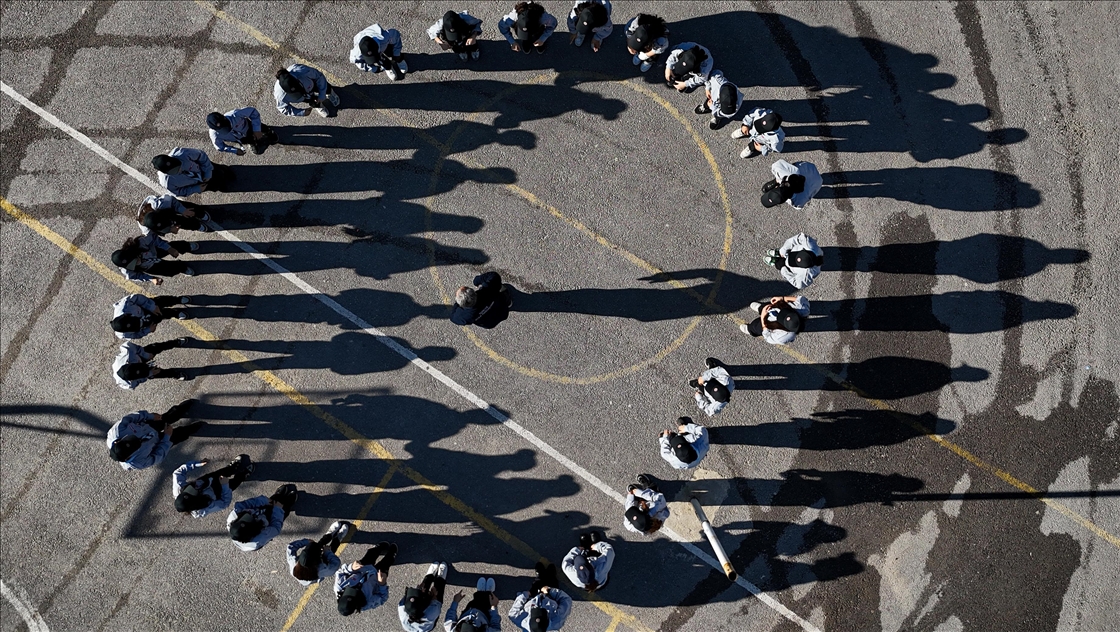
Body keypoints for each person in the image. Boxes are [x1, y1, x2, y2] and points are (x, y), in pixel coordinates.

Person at [106, 400, 203, 470]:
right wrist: (166, 437)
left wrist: (150, 416)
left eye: (131, 439)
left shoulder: (116, 431)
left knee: (168, 416)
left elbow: (131, 417)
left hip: (148, 426)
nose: (138, 440)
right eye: (137, 445)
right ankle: (194, 428)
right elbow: (158, 456)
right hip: (158, 443)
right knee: (180, 434)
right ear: (128, 458)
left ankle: (183, 408)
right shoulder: (138, 463)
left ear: (118, 441)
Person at [172, 455, 254, 519]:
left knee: (220, 473)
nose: (195, 487)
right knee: (233, 483)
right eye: (194, 491)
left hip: (206, 481)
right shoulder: (203, 509)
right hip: (217, 492)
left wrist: (197, 464)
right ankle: (243, 475)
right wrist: (225, 486)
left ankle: (233, 467)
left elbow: (178, 472)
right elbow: (224, 503)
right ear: (196, 500)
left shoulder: (179, 488)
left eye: (189, 489)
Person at [227, 484, 298, 552]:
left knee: (271, 502)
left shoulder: (234, 516)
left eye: (245, 517)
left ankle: (278, 496)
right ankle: (287, 504)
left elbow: (244, 504)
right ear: (253, 530)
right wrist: (278, 509)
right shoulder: (260, 537)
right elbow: (276, 527)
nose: (251, 516)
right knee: (282, 512)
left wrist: (263, 500)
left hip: (259, 512)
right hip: (264, 523)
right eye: (252, 519)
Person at [335, 542, 397, 616]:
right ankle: (391, 555)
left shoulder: (339, 587)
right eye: (356, 593)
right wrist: (382, 584)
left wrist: (351, 568)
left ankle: (378, 549)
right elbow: (383, 598)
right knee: (385, 564)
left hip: (362, 568)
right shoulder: (368, 603)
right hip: (377, 579)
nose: (354, 589)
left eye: (350, 591)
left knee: (370, 556)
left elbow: (340, 572)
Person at [111, 234, 197, 285]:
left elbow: (155, 239)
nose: (137, 263)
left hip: (154, 251)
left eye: (134, 260)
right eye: (133, 265)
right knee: (169, 271)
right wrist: (151, 279)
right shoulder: (127, 272)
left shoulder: (140, 243)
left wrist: (168, 248)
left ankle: (187, 246)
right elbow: (138, 276)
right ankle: (182, 267)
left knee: (174, 246)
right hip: (150, 266)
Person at [508, 563, 572, 631]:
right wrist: (551, 591)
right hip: (550, 597)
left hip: (533, 596)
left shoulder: (519, 620)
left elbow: (513, 613)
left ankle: (540, 575)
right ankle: (551, 576)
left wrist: (526, 594)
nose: (538, 607)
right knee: (552, 581)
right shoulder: (557, 621)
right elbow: (566, 600)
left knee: (537, 582)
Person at [288, 521, 354, 586]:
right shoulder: (322, 569)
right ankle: (338, 538)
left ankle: (329, 534)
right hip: (320, 564)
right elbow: (336, 563)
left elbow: (290, 547)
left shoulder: (293, 562)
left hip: (312, 567)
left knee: (318, 545)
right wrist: (328, 552)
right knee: (332, 549)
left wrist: (306, 542)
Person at [112, 338, 190, 389]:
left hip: (139, 355)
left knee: (157, 347)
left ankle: (175, 342)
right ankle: (173, 374)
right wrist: (148, 374)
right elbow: (139, 381)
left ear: (129, 363)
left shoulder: (127, 353)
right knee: (158, 373)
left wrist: (145, 354)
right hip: (144, 373)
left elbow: (129, 345)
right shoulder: (127, 384)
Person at [152, 148, 231, 196]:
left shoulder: (182, 153)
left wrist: (208, 172)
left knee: (221, 171)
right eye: (174, 171)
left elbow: (201, 156)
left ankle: (226, 172)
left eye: (177, 166)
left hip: (205, 169)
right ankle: (220, 186)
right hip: (198, 184)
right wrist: (195, 189)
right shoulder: (167, 182)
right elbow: (178, 192)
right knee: (216, 187)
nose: (179, 170)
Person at [111, 293, 189, 339]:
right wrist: (148, 330)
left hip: (144, 306)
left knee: (161, 301)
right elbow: (136, 335)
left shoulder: (125, 305)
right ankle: (175, 313)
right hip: (146, 321)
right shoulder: (123, 335)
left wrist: (152, 307)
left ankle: (177, 300)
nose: (139, 322)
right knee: (160, 316)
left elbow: (138, 298)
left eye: (136, 320)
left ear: (127, 314)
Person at [739, 295, 811, 345]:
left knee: (756, 327)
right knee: (770, 307)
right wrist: (782, 298)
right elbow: (801, 299)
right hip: (774, 309)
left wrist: (763, 318)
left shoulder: (784, 336)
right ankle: (760, 308)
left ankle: (750, 329)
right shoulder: (803, 310)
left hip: (769, 324)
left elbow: (768, 337)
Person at [399, 561, 449, 631]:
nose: (417, 586)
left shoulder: (401, 608)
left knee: (422, 587)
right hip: (427, 626)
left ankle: (429, 576)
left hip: (420, 608)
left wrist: (418, 589)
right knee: (438, 591)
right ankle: (440, 578)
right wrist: (434, 595)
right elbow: (436, 602)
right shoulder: (432, 612)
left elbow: (407, 597)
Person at [274, 64, 340, 117]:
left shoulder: (302, 71)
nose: (299, 93)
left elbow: (319, 77)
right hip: (304, 97)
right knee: (311, 101)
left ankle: (329, 93)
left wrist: (322, 94)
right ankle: (318, 105)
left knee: (325, 88)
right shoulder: (279, 95)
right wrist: (301, 113)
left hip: (312, 85)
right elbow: (282, 108)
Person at [206, 108, 277, 156]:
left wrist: (256, 129)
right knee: (257, 150)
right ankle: (252, 142)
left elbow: (253, 112)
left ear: (224, 118)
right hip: (241, 138)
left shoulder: (235, 114)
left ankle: (269, 132)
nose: (229, 129)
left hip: (249, 127)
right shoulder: (214, 135)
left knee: (264, 130)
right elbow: (219, 147)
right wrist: (234, 150)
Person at [136, 194, 210, 236]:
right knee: (180, 223)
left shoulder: (160, 204)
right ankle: (196, 225)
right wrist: (171, 229)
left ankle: (199, 213)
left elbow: (172, 200)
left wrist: (182, 210)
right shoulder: (147, 231)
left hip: (166, 209)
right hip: (162, 216)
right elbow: (153, 238)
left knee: (187, 208)